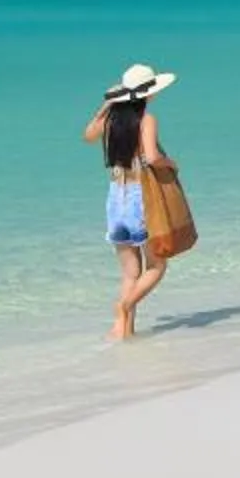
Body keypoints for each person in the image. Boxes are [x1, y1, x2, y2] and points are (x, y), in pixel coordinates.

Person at [82, 63, 177, 340]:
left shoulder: (111, 122)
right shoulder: (147, 120)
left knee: (130, 273)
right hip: (140, 198)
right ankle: (123, 306)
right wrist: (172, 164)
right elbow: (152, 157)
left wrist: (104, 108)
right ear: (148, 93)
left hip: (115, 199)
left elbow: (88, 136)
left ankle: (123, 331)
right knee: (157, 266)